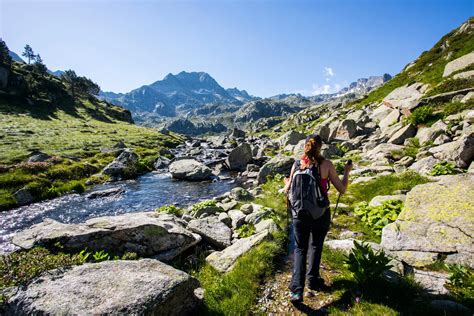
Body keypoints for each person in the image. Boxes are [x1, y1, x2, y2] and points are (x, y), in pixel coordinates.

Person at [284, 134, 352, 303]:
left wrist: (286, 181)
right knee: (316, 245)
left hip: (299, 214)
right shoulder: (326, 165)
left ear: (305, 146)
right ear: (320, 147)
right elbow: (342, 189)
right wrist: (346, 172)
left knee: (300, 249)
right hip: (321, 213)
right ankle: (313, 281)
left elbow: (287, 189)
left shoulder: (297, 164)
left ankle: (296, 291)